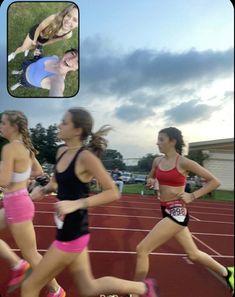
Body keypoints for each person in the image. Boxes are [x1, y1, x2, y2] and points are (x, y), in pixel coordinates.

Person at [22, 107, 159, 297]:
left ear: (77, 130)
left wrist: (77, 203)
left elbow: (112, 192)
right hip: (69, 229)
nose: (58, 125)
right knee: (88, 288)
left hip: (72, 232)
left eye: (64, 122)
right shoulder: (61, 151)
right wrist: (43, 190)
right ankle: (143, 288)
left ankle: (143, 288)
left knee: (29, 287)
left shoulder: (85, 157)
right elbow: (56, 182)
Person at [133, 127, 234, 295]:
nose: (157, 143)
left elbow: (214, 181)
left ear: (172, 141)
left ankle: (137, 290)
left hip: (177, 211)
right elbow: (151, 177)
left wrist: (192, 196)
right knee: (193, 254)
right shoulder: (157, 161)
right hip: (165, 209)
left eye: (161, 139)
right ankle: (228, 273)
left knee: (142, 250)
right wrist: (150, 181)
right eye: (158, 139)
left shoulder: (184, 162)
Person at [0, 110, 65, 297]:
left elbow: (3, 181)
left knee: (32, 254)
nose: (0, 126)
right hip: (17, 202)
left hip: (18, 205)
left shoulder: (10, 148)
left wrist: (11, 179)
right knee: (30, 255)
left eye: (3, 123)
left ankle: (56, 290)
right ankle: (17, 265)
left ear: (14, 127)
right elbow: (38, 171)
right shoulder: (26, 149)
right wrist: (19, 179)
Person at [8, 4, 78, 62]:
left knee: (31, 47)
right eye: (68, 15)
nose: (69, 21)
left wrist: (42, 45)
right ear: (65, 14)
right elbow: (39, 28)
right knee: (23, 48)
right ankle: (13, 54)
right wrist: (34, 40)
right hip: (36, 34)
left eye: (75, 20)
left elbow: (53, 40)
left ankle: (28, 48)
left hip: (44, 40)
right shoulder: (54, 18)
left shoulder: (68, 35)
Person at [10, 48, 78, 97]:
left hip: (27, 80)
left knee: (22, 82)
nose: (71, 59)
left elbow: (57, 92)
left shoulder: (57, 80)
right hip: (29, 65)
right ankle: (19, 72)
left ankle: (19, 83)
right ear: (66, 52)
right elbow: (39, 62)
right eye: (73, 53)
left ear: (76, 69)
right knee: (22, 70)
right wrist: (38, 54)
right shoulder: (55, 57)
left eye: (78, 62)